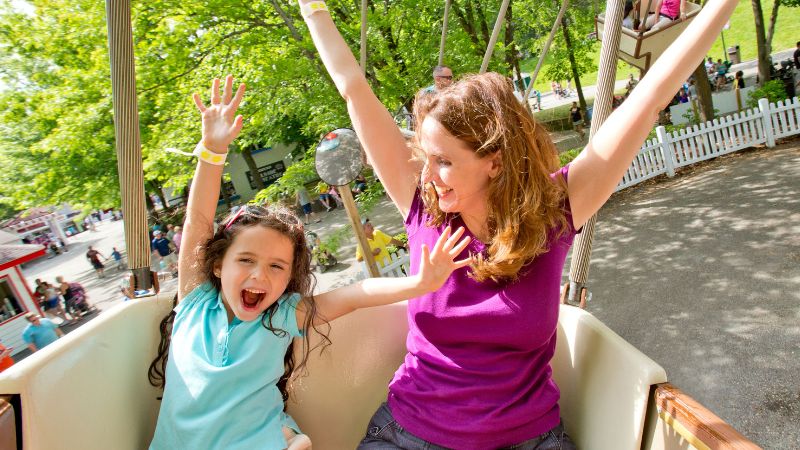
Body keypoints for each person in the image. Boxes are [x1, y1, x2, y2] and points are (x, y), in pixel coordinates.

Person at [299, 0, 735, 447]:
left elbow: (649, 100)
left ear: (494, 160)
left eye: (444, 161)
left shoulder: (552, 214)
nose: (427, 175)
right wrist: (314, 10)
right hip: (412, 434)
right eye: (424, 159)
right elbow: (353, 88)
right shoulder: (424, 205)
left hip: (527, 439)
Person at [147, 76, 473, 450]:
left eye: (276, 267)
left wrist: (419, 284)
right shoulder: (195, 302)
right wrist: (212, 150)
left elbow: (355, 294)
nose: (259, 275)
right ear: (218, 264)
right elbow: (198, 221)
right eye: (246, 260)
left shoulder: (281, 315)